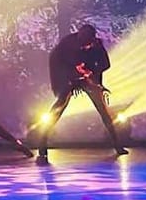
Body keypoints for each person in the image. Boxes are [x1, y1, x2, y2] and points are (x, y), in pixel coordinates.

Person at [32, 23, 129, 164]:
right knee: (59, 107)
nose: (83, 45)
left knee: (104, 110)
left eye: (87, 43)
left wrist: (94, 76)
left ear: (92, 40)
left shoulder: (96, 46)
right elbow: (59, 65)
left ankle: (117, 145)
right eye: (82, 42)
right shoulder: (67, 45)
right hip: (67, 76)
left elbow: (105, 64)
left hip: (87, 77)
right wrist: (69, 81)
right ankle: (42, 145)